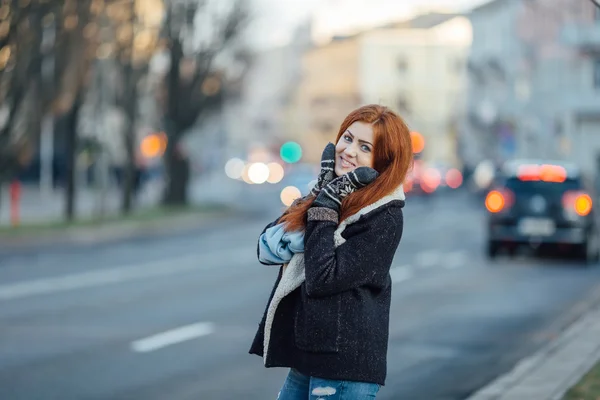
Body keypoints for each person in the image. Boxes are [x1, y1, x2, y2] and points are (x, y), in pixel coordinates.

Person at [250, 104, 414, 400]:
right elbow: (268, 245)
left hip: (344, 365)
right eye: (348, 138)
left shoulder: (384, 216)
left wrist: (326, 204)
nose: (349, 151)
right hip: (310, 354)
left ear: (383, 162)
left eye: (365, 147)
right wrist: (322, 194)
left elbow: (323, 278)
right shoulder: (325, 192)